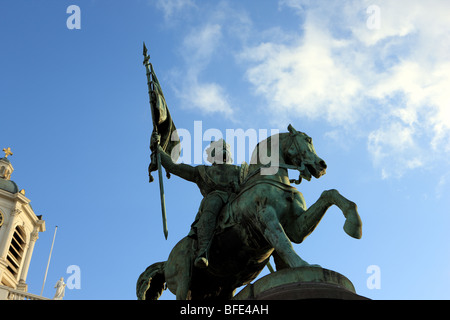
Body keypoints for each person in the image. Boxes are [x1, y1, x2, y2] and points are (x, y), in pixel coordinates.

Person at [151, 133, 241, 268]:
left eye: (225, 151)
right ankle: (203, 250)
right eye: (219, 151)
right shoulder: (202, 172)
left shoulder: (239, 170)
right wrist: (159, 150)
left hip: (238, 199)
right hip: (215, 200)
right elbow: (174, 166)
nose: (223, 154)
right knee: (213, 204)